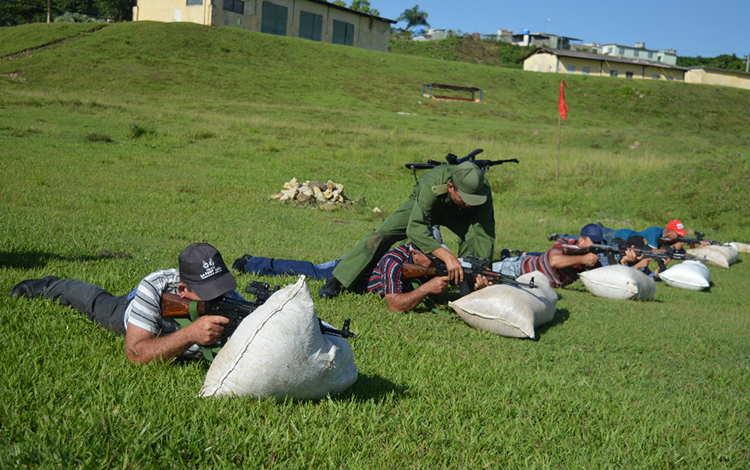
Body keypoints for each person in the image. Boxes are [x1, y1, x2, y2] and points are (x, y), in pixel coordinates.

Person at [8, 243, 241, 364]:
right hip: (126, 315)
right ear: (182, 290)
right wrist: (190, 334)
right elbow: (135, 354)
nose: (218, 297)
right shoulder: (156, 286)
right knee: (95, 303)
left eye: (219, 288)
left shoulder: (231, 299)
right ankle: (53, 285)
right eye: (207, 292)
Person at [319, 161, 496, 299]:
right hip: (421, 206)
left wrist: (482, 269)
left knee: (474, 236)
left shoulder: (481, 192)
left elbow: (485, 233)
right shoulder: (433, 182)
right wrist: (448, 257)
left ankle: (469, 284)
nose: (470, 202)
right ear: (451, 187)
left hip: (459, 215)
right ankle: (340, 278)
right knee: (383, 233)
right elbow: (416, 227)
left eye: (474, 199)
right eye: (465, 197)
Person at [232, 239, 492, 312]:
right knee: (310, 270)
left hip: (367, 265)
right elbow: (394, 305)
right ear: (414, 252)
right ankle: (250, 263)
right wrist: (426, 289)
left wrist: (475, 285)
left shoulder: (425, 261)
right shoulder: (394, 261)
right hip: (350, 270)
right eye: (432, 256)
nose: (438, 261)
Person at [492, 224, 604, 288]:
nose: (596, 246)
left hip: (530, 282)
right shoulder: (565, 242)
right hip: (518, 268)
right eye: (593, 242)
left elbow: (605, 278)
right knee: (480, 271)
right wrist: (583, 259)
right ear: (580, 240)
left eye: (598, 243)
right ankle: (506, 257)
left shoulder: (591, 259)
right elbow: (554, 261)